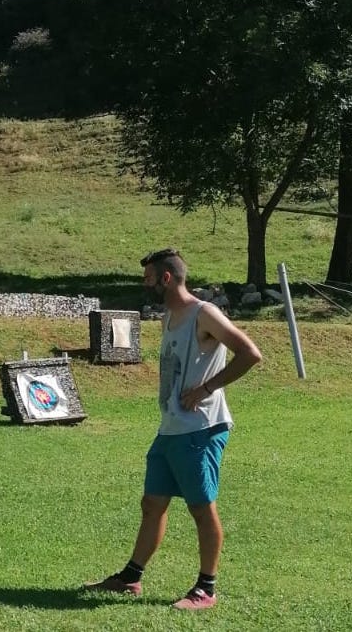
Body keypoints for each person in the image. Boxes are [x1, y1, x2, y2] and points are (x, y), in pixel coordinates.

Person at [85, 248, 262, 610]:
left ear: (166, 279)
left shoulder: (204, 313)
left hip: (200, 430)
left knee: (201, 508)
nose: (144, 285)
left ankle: (206, 589)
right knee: (152, 504)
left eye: (148, 278)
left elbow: (250, 354)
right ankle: (131, 578)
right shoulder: (170, 316)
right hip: (170, 430)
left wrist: (207, 388)